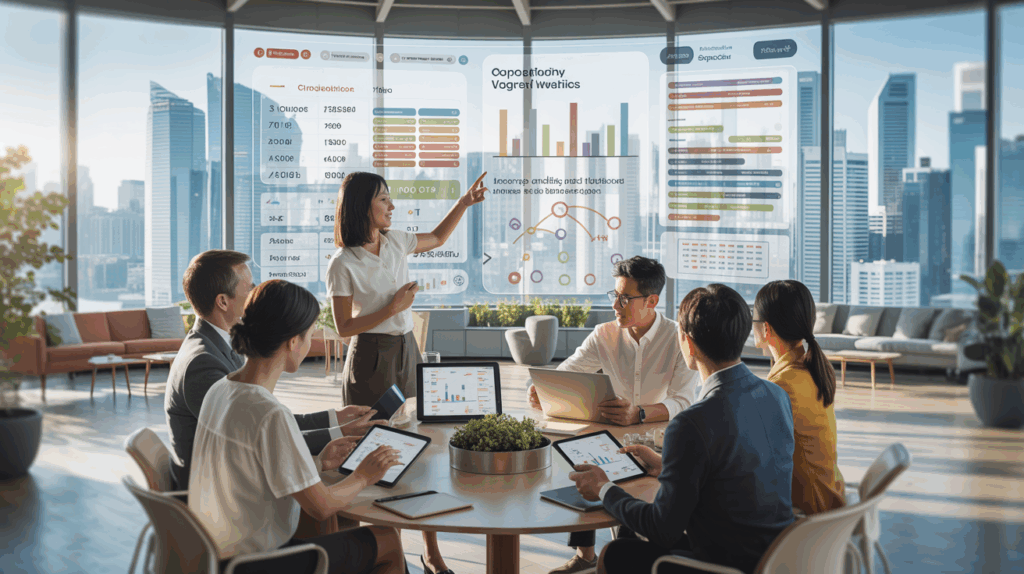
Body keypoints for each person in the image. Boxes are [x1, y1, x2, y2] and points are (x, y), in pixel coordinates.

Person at [568, 284, 796, 574]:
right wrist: (667, 467)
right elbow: (736, 472)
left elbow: (661, 528)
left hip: (724, 565)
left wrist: (603, 487)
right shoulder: (776, 396)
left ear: (686, 343)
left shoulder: (691, 423)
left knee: (616, 553)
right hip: (777, 555)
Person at [327, 171, 487, 574]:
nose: (392, 206)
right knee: (375, 446)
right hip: (371, 356)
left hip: (405, 349)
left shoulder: (396, 241)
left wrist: (464, 203)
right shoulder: (343, 262)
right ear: (364, 206)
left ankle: (430, 553)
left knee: (418, 439)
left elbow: (438, 237)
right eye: (384, 200)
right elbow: (345, 328)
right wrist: (393, 308)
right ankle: (384, 550)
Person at [189, 279, 406, 574]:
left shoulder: (221, 389)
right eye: (310, 335)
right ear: (293, 342)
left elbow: (251, 470)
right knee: (387, 540)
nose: (309, 343)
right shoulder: (268, 413)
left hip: (213, 550)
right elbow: (323, 506)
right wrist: (364, 476)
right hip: (254, 562)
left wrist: (319, 463)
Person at [525, 256, 699, 574]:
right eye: (614, 295)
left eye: (624, 298)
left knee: (630, 484)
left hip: (658, 440)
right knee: (583, 459)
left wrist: (640, 413)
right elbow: (568, 371)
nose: (615, 305)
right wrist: (542, 388)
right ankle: (586, 554)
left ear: (652, 300)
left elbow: (684, 400)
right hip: (613, 432)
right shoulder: (604, 334)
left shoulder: (677, 339)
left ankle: (624, 553)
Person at [165, 250, 380, 490]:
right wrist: (337, 433)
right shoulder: (203, 363)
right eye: (250, 289)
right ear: (223, 301)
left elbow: (267, 423)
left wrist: (335, 419)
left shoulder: (219, 345)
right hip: (213, 492)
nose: (256, 295)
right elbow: (262, 439)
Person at [753, 280, 845, 515]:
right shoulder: (811, 368)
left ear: (766, 329)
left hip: (808, 511)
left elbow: (753, 456)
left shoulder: (783, 384)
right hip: (830, 493)